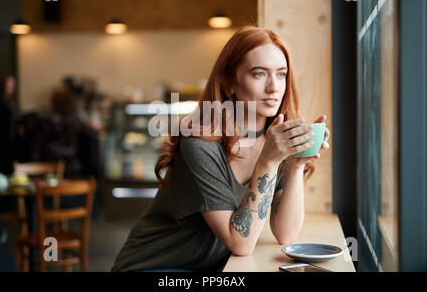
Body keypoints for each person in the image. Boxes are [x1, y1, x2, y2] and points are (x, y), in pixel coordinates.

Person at [111, 26, 330, 272]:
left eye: (281, 75)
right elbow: (241, 242)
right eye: (259, 74)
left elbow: (286, 234)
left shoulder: (273, 142)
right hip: (154, 267)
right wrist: (268, 162)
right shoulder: (200, 144)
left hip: (205, 268)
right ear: (230, 83)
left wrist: (295, 163)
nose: (274, 87)